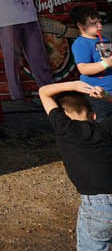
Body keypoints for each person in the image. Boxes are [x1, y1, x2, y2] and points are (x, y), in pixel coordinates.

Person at [40, 78, 112, 251]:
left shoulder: (64, 129)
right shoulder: (106, 129)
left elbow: (43, 91)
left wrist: (74, 85)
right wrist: (106, 96)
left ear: (62, 115)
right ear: (93, 116)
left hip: (97, 206)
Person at [72, 6, 112, 121]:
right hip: (97, 93)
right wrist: (105, 64)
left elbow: (108, 59)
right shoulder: (81, 44)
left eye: (100, 22)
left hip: (109, 90)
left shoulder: (103, 40)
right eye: (94, 23)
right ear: (80, 25)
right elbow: (83, 69)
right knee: (103, 121)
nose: (100, 26)